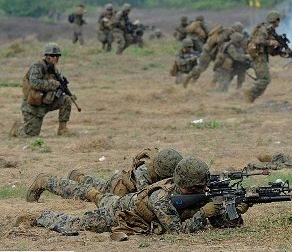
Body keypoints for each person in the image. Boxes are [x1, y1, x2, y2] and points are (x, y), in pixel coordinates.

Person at [21, 158, 229, 236]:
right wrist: (203, 213)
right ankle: (40, 217)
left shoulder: (187, 192)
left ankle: (78, 178)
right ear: (182, 183)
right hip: (118, 212)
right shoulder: (161, 197)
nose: (199, 191)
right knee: (74, 224)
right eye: (194, 188)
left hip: (122, 203)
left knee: (93, 192)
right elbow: (177, 232)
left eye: (201, 187)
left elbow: (219, 221)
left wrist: (232, 210)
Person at [25, 148, 184, 202]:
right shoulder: (144, 176)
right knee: (80, 192)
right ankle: (45, 181)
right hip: (116, 193)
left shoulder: (160, 162)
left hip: (117, 185)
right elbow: (147, 199)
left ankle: (77, 176)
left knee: (99, 184)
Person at [10, 43, 75, 137]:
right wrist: (52, 84)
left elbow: (56, 86)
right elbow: (34, 83)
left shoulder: (54, 70)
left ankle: (62, 129)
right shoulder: (38, 66)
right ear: (47, 56)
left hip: (47, 101)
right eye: (52, 55)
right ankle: (17, 128)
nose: (55, 58)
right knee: (31, 134)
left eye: (57, 56)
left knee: (66, 99)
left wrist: (62, 88)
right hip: (34, 104)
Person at [182, 21, 245, 87]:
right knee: (201, 68)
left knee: (221, 67)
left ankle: (212, 83)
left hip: (215, 53)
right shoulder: (227, 33)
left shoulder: (230, 33)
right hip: (208, 52)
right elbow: (220, 42)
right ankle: (188, 78)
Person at [243, 11, 282, 103]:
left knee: (265, 79)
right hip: (258, 56)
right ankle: (249, 93)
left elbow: (268, 49)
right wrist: (271, 42)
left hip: (261, 56)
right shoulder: (264, 29)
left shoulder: (270, 30)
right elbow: (259, 41)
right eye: (278, 20)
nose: (279, 22)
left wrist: (279, 52)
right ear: (275, 20)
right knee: (264, 79)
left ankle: (251, 98)